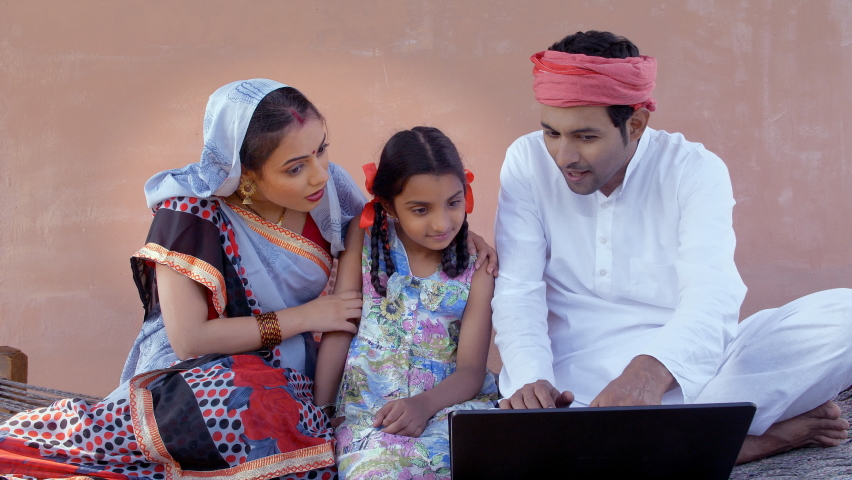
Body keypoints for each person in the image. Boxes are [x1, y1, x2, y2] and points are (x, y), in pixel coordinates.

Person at [0, 80, 497, 479]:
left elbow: (396, 216)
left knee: (288, 425)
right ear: (246, 175)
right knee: (247, 406)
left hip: (293, 374)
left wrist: (464, 238)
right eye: (296, 167)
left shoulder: (328, 192)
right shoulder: (188, 216)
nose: (319, 175)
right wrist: (307, 317)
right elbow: (190, 338)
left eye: (323, 151)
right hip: (201, 371)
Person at [491, 31, 852, 464]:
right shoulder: (526, 161)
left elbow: (712, 295)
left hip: (686, 371)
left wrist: (650, 372)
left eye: (585, 137)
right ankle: (756, 441)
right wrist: (532, 379)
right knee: (555, 438)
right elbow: (518, 288)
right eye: (551, 133)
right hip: (572, 380)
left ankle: (649, 442)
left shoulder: (694, 169)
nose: (563, 155)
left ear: (636, 124)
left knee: (843, 316)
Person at [312, 127, 498, 480]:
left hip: (449, 407)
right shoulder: (364, 237)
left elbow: (472, 369)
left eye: (453, 202)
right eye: (421, 209)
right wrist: (322, 410)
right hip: (369, 412)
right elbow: (341, 325)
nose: (442, 222)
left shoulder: (479, 264)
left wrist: (424, 405)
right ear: (387, 205)